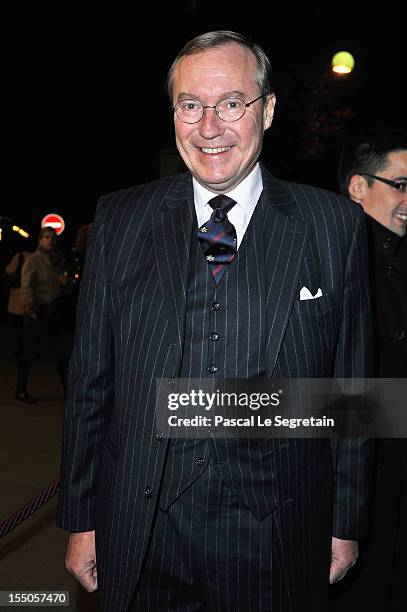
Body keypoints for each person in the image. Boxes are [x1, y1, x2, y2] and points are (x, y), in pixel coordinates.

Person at [57, 31, 372, 612]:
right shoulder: (120, 218)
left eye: (231, 103)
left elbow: (351, 390)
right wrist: (80, 517)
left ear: (268, 109)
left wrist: (345, 520)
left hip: (277, 529)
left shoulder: (333, 225)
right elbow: (89, 383)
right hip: (142, 525)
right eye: (190, 105)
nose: (209, 127)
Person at [334, 128, 407, 611]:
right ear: (358, 186)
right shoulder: (332, 261)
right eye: (400, 184)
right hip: (354, 491)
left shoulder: (398, 259)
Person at [16, 226, 67, 402]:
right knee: (29, 352)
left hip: (54, 309)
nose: (50, 240)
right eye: (46, 237)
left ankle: (68, 390)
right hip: (38, 310)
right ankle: (20, 390)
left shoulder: (56, 259)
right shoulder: (33, 260)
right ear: (40, 240)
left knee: (62, 351)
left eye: (52, 237)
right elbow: (27, 286)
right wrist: (32, 310)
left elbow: (61, 283)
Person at [4, 249, 32, 356]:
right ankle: (26, 348)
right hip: (30, 293)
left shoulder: (20, 255)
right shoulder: (36, 255)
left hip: (18, 293)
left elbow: (9, 270)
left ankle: (22, 348)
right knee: (27, 326)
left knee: (19, 325)